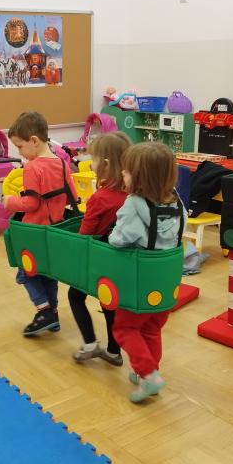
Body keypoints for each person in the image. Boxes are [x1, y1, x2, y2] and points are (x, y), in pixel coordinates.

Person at [108, 142, 185, 403]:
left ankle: (148, 374)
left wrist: (112, 237)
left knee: (125, 329)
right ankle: (149, 372)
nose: (122, 174)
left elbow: (122, 238)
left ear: (140, 178)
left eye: (127, 171)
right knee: (152, 328)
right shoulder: (176, 201)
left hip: (139, 280)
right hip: (166, 281)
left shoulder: (133, 204)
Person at [4, 111, 78, 336]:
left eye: (19, 146)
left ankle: (44, 311)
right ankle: (52, 314)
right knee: (48, 273)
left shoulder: (32, 167)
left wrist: (10, 201)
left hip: (33, 232)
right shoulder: (62, 163)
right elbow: (72, 197)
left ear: (34, 141)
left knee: (26, 273)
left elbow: (31, 203)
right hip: (55, 230)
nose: (19, 152)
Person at [69, 132, 131, 366]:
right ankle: (114, 352)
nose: (89, 162)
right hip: (120, 261)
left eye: (92, 158)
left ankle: (90, 344)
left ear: (104, 164)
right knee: (109, 302)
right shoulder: (133, 196)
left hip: (95, 259)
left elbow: (84, 236)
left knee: (75, 295)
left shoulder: (100, 198)